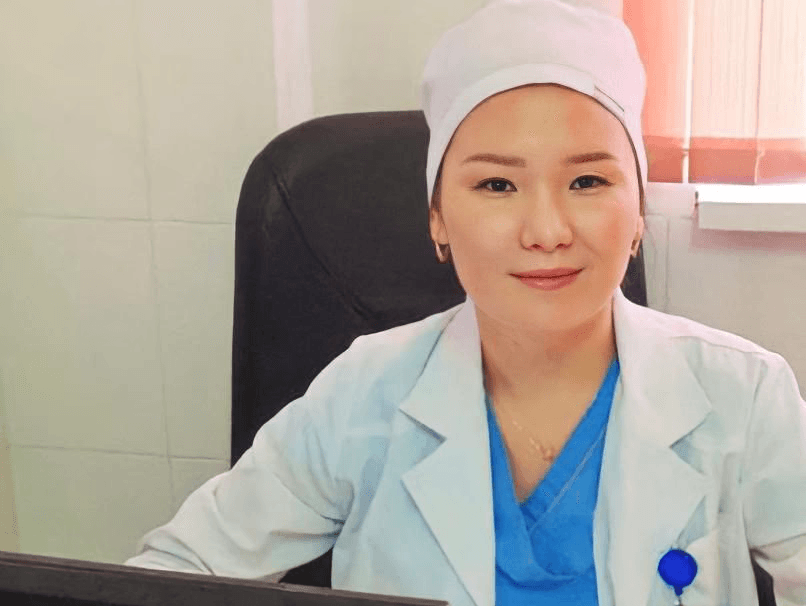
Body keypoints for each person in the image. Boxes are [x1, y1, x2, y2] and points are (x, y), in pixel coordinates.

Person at [126, 1, 806, 604]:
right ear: (438, 220)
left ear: (637, 216)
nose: (547, 232)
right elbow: (173, 575)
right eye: (497, 186)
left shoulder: (744, 396)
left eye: (588, 181)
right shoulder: (364, 396)